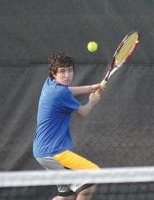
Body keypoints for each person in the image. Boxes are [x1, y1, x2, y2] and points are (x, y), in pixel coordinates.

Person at [33, 52, 104, 200]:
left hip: (42, 151)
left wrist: (91, 87)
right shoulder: (60, 94)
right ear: (54, 73)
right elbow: (83, 113)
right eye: (62, 71)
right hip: (53, 152)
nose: (67, 75)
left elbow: (67, 90)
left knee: (66, 196)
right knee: (94, 175)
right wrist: (93, 100)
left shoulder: (49, 84)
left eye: (70, 70)